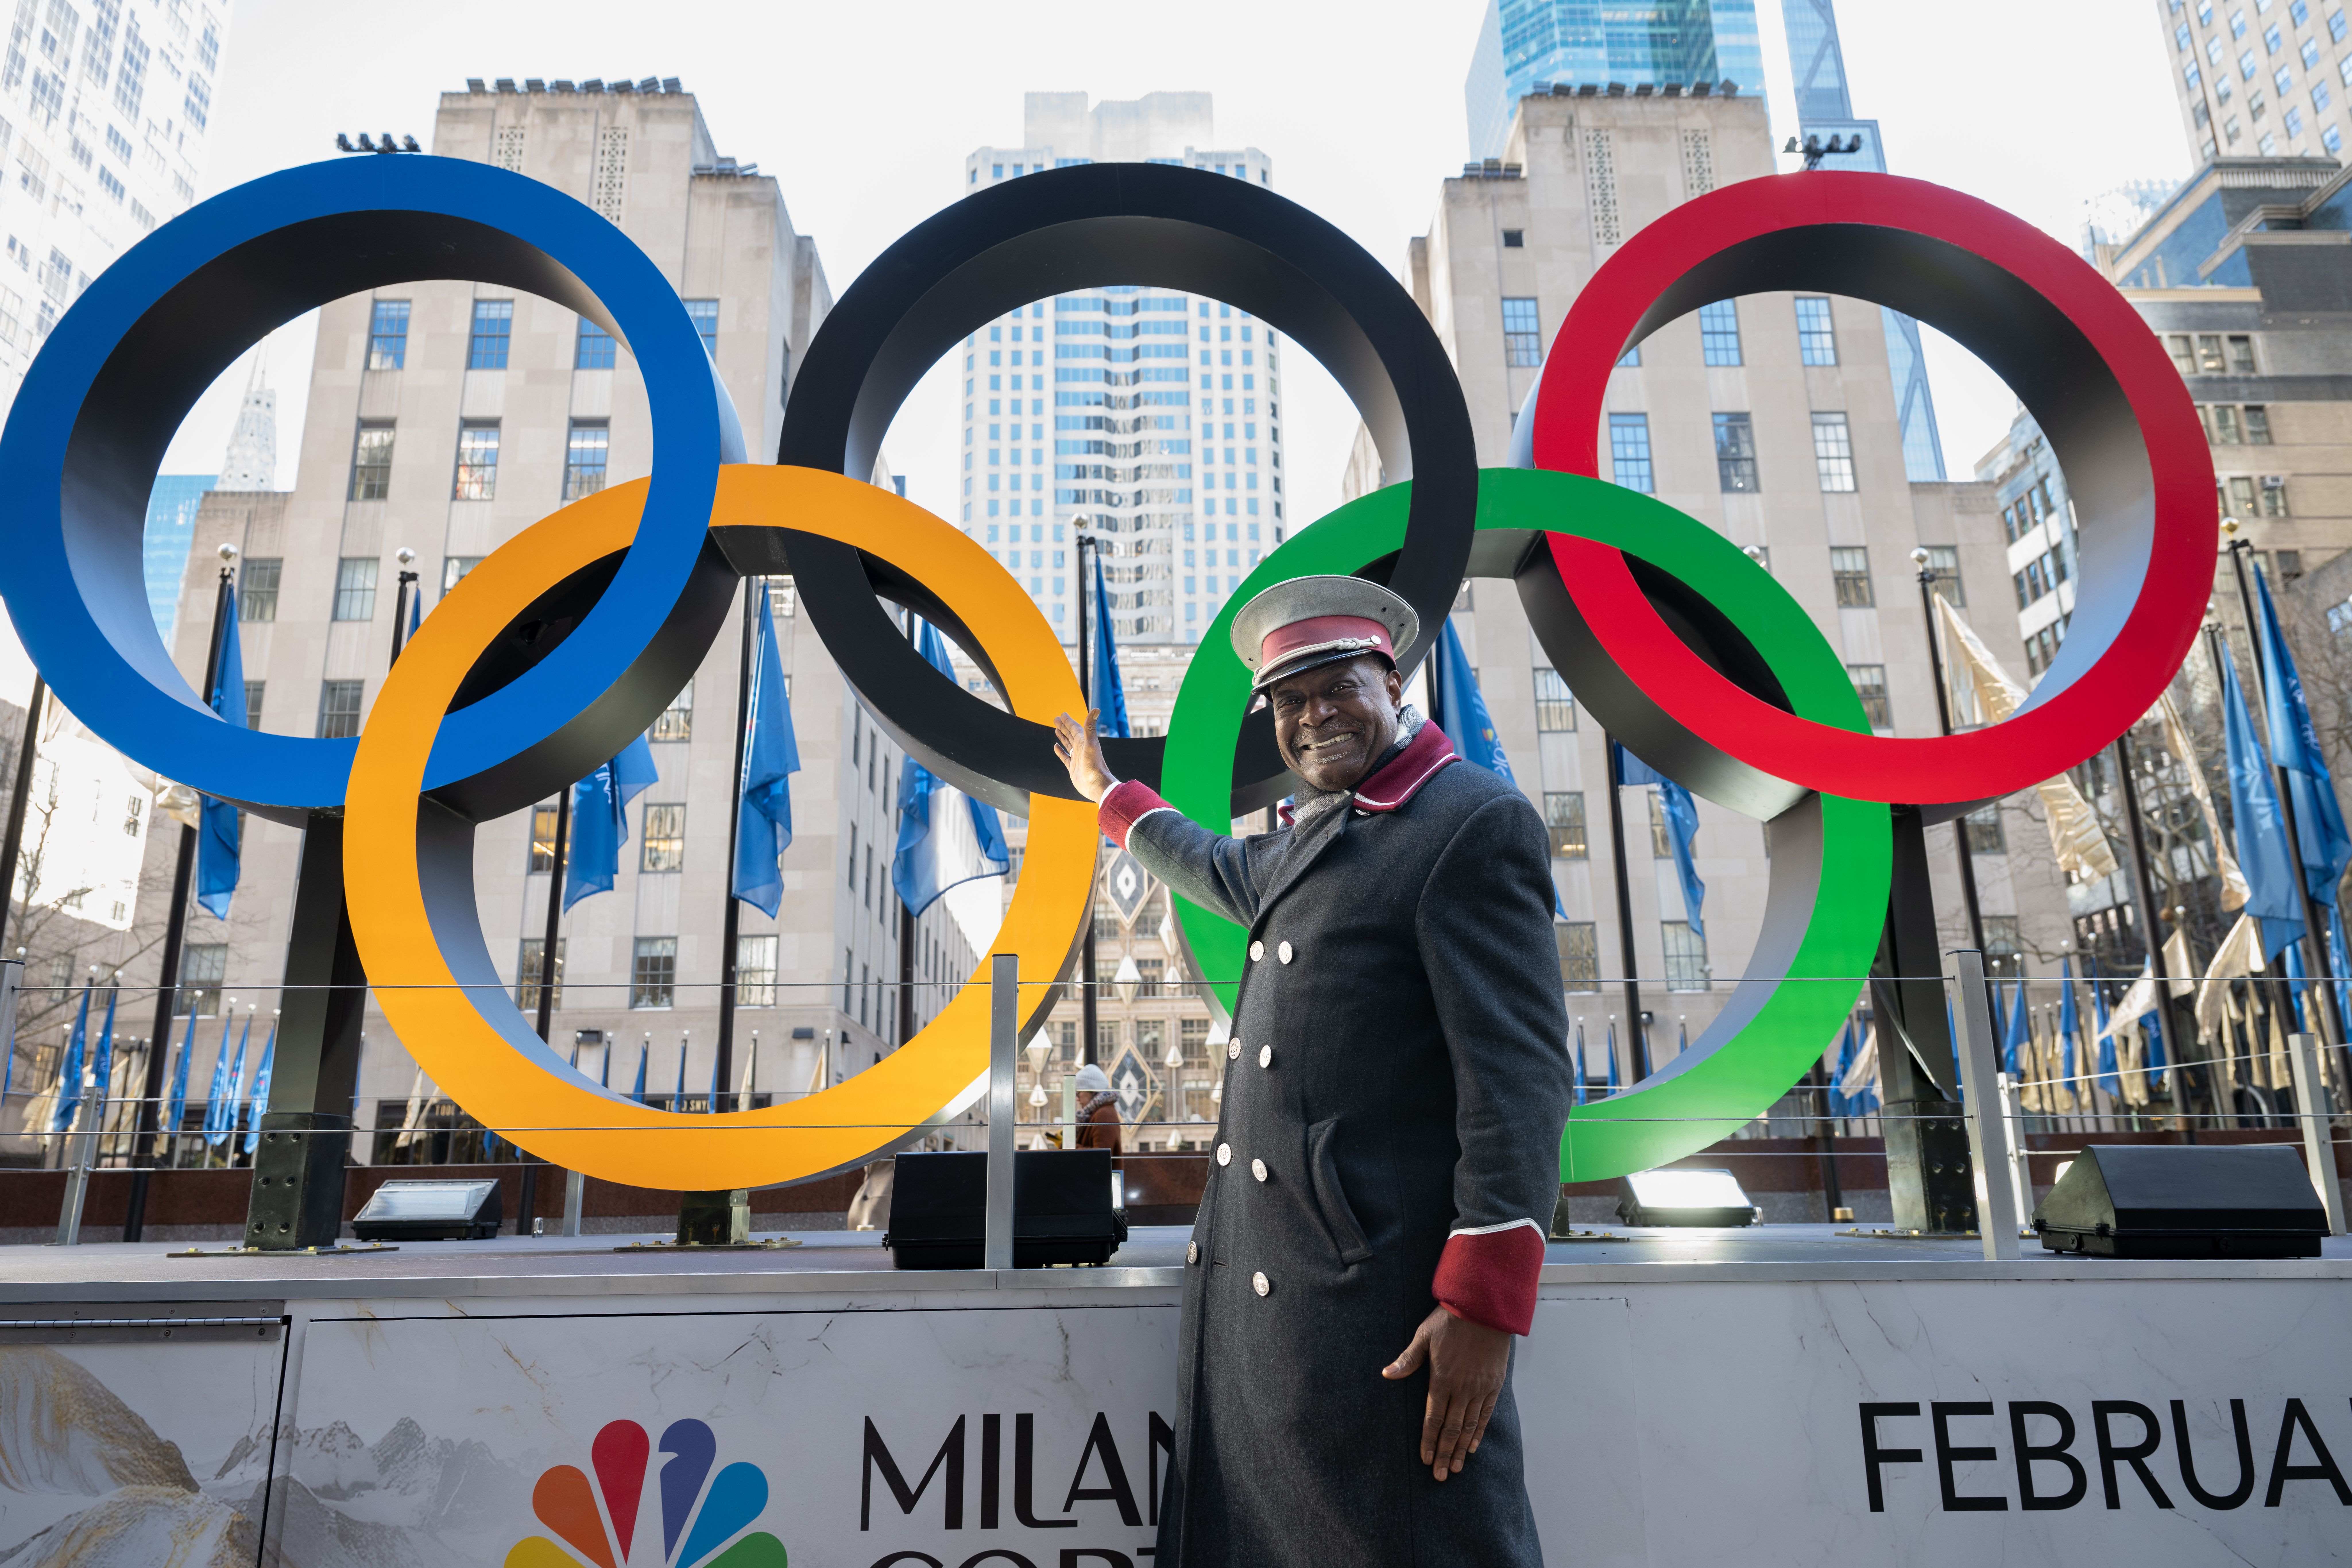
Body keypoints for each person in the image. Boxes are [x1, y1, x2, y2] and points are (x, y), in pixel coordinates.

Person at [1052, 575, 1570, 1567]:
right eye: (1290, 702)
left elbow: (1519, 1082)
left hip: (1372, 1312)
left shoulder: (1469, 821)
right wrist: (1107, 796)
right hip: (1273, 1307)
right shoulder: (1321, 832)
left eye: (1339, 688)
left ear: (1393, 685)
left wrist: (1482, 1305)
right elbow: (1204, 861)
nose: (1314, 716)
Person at [1072, 1061, 1121, 1154]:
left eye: (1078, 1094)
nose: (1077, 1099)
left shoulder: (1104, 1115)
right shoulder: (1098, 1112)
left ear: (1092, 1091)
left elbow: (1100, 1156)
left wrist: (1069, 1146)